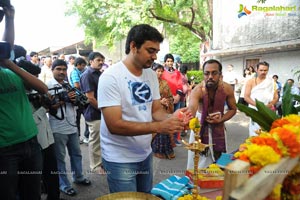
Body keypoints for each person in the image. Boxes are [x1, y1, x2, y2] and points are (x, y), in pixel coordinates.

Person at [97, 24, 191, 193]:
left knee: (145, 196)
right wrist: (158, 127)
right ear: (133, 46)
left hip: (145, 154)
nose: (155, 56)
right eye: (150, 50)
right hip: (120, 159)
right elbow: (114, 125)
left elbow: (155, 110)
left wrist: (172, 118)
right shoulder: (110, 77)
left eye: (156, 51)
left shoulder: (150, 75)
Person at [0, 4, 48, 200]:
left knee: (32, 194)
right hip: (4, 150)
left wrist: (10, 18)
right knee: (8, 195)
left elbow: (43, 88)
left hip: (31, 143)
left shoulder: (11, 72)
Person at [47, 59, 91, 196]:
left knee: (76, 154)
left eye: (64, 69)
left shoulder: (67, 85)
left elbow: (79, 102)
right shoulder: (47, 86)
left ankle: (78, 177)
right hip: (57, 128)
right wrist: (62, 99)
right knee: (60, 158)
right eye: (58, 69)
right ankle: (63, 184)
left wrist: (76, 100)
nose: (61, 72)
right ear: (52, 70)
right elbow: (47, 107)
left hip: (72, 126)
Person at [187, 59, 237, 169]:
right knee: (198, 162)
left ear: (220, 74)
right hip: (199, 127)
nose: (210, 76)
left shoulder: (227, 89)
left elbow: (233, 109)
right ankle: (195, 184)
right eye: (206, 73)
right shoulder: (198, 90)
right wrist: (188, 119)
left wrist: (221, 119)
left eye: (214, 73)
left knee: (218, 163)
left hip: (219, 126)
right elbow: (191, 109)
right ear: (203, 75)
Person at [80, 52, 104, 173]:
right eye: (98, 60)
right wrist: (104, 109)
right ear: (91, 61)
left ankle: (102, 163)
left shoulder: (100, 74)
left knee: (102, 139)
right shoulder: (87, 75)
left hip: (102, 112)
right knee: (95, 140)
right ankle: (95, 165)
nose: (101, 62)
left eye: (102, 60)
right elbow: (90, 98)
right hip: (94, 113)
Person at [244, 61, 278, 137]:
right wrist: (259, 106)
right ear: (256, 70)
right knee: (255, 133)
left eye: (265, 70)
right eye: (261, 70)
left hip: (268, 110)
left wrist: (269, 105)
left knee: (267, 132)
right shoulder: (250, 81)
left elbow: (276, 97)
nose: (263, 72)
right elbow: (246, 97)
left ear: (268, 70)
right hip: (254, 110)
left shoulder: (272, 82)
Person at [151, 63, 175, 159]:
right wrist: (159, 101)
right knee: (158, 130)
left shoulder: (165, 83)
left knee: (165, 129)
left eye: (161, 71)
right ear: (153, 71)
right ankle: (157, 150)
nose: (160, 73)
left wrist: (167, 101)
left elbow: (170, 96)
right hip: (154, 111)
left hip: (164, 110)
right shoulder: (149, 83)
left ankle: (167, 150)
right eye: (158, 71)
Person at [161, 53, 184, 146]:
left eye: (171, 61)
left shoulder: (177, 73)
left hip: (176, 98)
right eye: (168, 61)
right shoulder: (162, 73)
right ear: (165, 62)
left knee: (177, 119)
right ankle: (168, 140)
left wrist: (178, 96)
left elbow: (180, 85)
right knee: (167, 119)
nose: (170, 63)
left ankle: (176, 138)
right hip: (166, 99)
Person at [69, 57, 90, 144]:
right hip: (78, 98)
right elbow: (76, 85)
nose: (84, 67)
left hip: (83, 98)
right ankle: (77, 138)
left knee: (87, 118)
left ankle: (86, 136)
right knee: (77, 119)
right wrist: (87, 85)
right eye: (83, 65)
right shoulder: (74, 72)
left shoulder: (82, 71)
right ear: (78, 65)